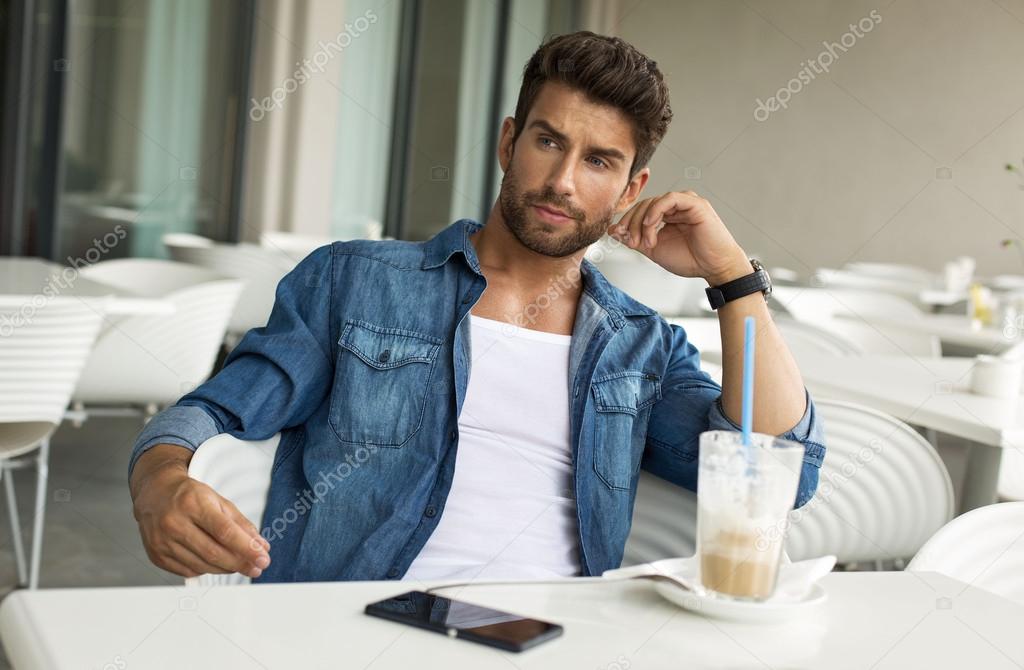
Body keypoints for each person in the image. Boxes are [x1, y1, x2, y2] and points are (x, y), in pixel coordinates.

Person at [128, 31, 825, 583]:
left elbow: (775, 469)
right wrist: (159, 479)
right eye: (548, 141)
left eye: (598, 162)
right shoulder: (354, 283)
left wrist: (732, 277)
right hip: (353, 631)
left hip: (559, 639)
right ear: (507, 142)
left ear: (630, 187)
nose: (560, 181)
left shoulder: (639, 347)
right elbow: (213, 411)